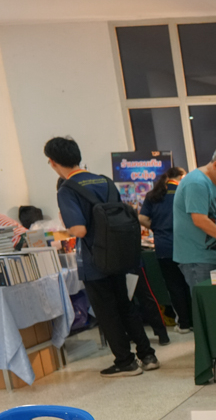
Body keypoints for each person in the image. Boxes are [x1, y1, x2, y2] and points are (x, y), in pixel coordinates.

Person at [46, 136, 158, 377]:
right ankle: (148, 355)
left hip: (95, 262)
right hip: (121, 255)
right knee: (127, 306)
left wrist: (65, 225)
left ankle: (125, 361)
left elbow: (79, 230)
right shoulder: (105, 181)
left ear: (53, 161)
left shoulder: (67, 189)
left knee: (107, 312)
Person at [173, 145, 216, 289]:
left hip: (213, 254)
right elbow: (200, 221)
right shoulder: (196, 183)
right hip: (197, 257)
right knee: (206, 297)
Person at [140, 167, 193, 334]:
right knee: (189, 284)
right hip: (185, 245)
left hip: (164, 247)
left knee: (174, 286)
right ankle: (195, 321)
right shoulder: (184, 192)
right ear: (181, 177)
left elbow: (141, 218)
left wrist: (156, 228)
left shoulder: (153, 195)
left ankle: (184, 324)